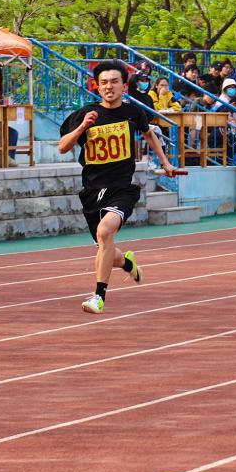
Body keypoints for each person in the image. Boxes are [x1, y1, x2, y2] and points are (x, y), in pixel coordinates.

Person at [58, 60, 176, 314]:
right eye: (103, 82)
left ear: (124, 86)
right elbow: (63, 147)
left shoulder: (133, 113)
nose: (109, 87)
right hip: (92, 191)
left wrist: (165, 162)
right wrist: (82, 127)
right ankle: (127, 263)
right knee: (106, 248)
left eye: (114, 82)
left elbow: (149, 134)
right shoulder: (86, 113)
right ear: (97, 86)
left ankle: (98, 297)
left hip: (121, 188)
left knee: (104, 233)